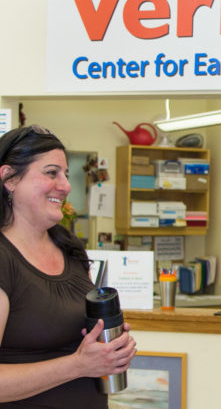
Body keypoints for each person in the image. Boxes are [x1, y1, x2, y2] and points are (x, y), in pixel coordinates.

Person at [0, 126, 137, 408]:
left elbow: (80, 345)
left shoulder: (69, 246)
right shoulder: (4, 259)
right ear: (9, 178)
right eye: (51, 173)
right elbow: (78, 363)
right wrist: (78, 365)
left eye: (64, 173)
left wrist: (109, 348)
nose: (65, 184)